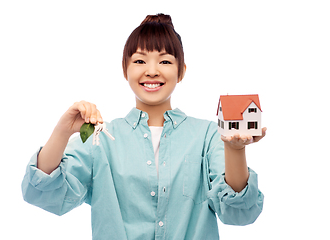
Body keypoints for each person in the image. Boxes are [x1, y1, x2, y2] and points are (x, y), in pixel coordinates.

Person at [22, 13, 265, 240]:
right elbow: (44, 194)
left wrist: (235, 150)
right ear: (124, 69)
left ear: (181, 72)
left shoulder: (207, 135)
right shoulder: (102, 137)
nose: (151, 71)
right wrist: (63, 131)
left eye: (165, 61)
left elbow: (238, 212)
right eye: (139, 60)